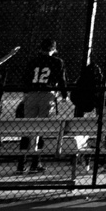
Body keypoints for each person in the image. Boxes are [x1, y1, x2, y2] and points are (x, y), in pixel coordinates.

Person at [18, 38, 66, 173]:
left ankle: (21, 164)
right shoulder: (57, 62)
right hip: (47, 95)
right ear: (53, 49)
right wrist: (64, 95)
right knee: (41, 129)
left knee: (28, 129)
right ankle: (35, 163)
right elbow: (61, 79)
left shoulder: (33, 61)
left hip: (32, 94)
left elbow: (26, 78)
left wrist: (26, 93)